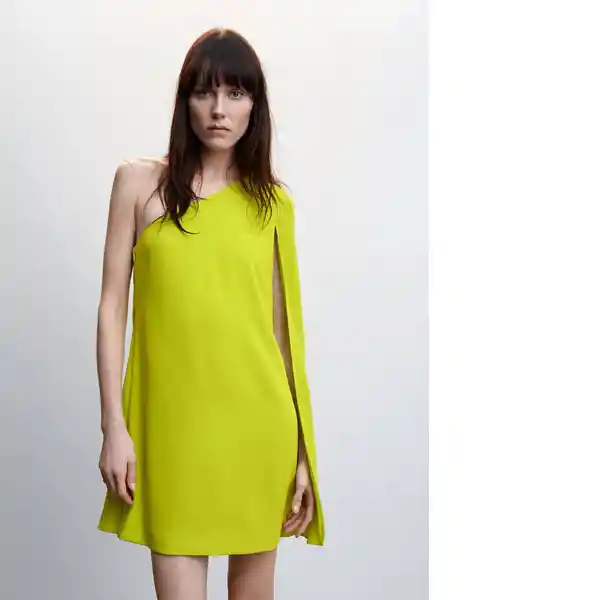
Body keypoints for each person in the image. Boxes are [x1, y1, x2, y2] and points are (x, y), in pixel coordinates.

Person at [95, 27, 324, 600]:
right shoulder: (138, 183)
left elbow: (284, 332)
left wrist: (303, 455)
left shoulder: (273, 204)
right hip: (172, 431)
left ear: (254, 106)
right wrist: (113, 427)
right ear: (185, 101)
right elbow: (111, 308)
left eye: (236, 94)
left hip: (258, 429)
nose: (219, 109)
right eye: (205, 92)